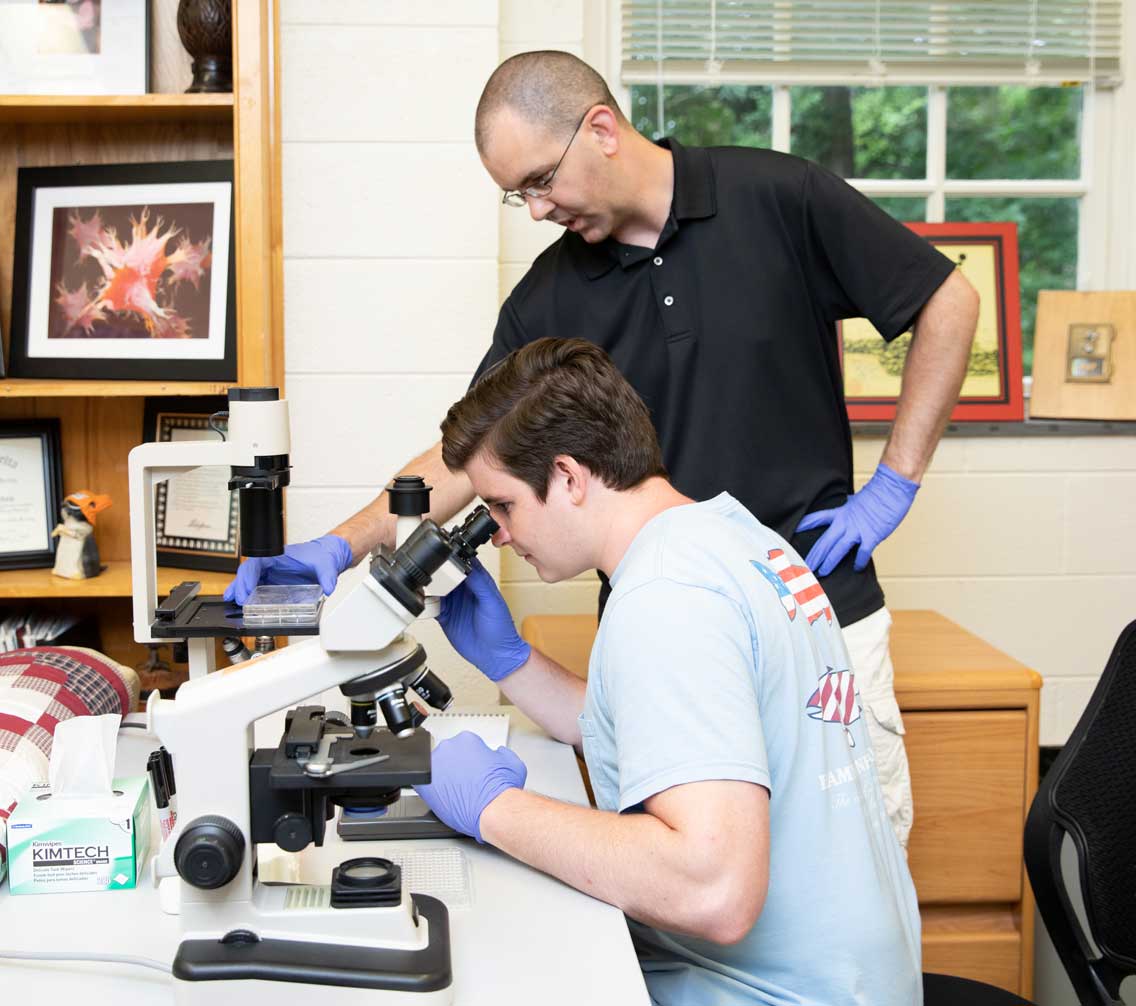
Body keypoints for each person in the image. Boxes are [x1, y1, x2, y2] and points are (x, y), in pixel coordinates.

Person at [225, 50, 980, 848]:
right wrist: (339, 548)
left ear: (602, 129)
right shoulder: (548, 297)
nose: (537, 210)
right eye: (518, 194)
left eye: (542, 182)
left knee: (848, 854)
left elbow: (948, 300)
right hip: (661, 632)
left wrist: (895, 481)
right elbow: (466, 458)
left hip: (820, 612)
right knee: (683, 871)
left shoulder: (779, 196)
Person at [414, 337, 922, 1006]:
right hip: (850, 983)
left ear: (567, 476)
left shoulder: (665, 597)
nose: (500, 533)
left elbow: (713, 890)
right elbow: (671, 729)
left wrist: (494, 810)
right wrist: (511, 661)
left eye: (503, 506)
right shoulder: (735, 537)